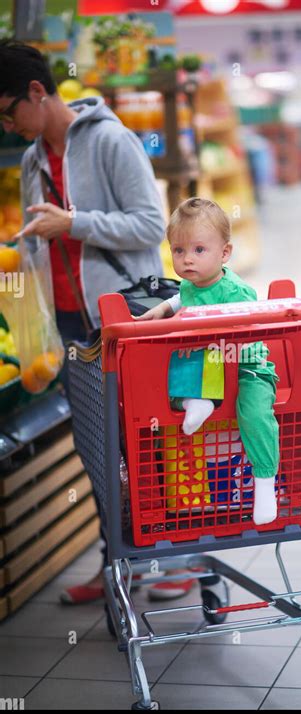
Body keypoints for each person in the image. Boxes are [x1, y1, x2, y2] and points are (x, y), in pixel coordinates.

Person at [0, 40, 192, 602]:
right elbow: (49, 234)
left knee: (149, 445)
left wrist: (76, 222)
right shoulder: (35, 159)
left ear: (37, 92)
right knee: (98, 451)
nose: (8, 126)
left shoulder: (111, 140)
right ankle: (120, 568)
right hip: (69, 325)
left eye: (8, 111)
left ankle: (177, 560)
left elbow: (151, 225)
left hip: (127, 318)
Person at [136, 197, 280, 530]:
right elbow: (183, 295)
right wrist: (164, 309)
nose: (186, 260)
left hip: (247, 367)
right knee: (177, 355)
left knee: (256, 412)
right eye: (178, 250)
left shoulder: (236, 291)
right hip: (207, 363)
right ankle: (195, 400)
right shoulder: (190, 283)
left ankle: (264, 486)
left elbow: (250, 328)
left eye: (199, 250)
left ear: (224, 254)